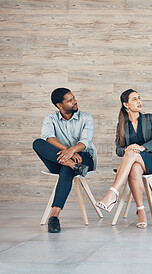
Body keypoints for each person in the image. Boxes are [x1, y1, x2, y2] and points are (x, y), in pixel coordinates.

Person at [96, 89, 152, 229]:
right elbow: (119, 149)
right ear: (126, 105)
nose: (139, 101)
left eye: (139, 98)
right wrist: (128, 149)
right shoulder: (122, 125)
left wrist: (141, 148)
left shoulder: (150, 118)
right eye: (134, 99)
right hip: (134, 163)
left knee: (132, 153)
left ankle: (113, 193)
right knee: (134, 169)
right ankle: (141, 211)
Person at [33, 88, 96, 233]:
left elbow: (86, 141)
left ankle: (54, 216)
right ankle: (72, 165)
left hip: (84, 159)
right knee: (38, 143)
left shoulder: (86, 118)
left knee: (67, 169)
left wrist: (72, 151)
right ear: (59, 105)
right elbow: (48, 137)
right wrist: (67, 153)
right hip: (63, 160)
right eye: (69, 100)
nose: (74, 102)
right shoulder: (50, 119)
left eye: (73, 98)